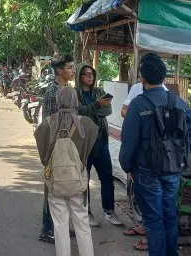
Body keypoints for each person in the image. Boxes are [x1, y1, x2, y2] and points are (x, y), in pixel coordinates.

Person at [119, 54, 191, 254]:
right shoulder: (177, 102)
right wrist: (183, 151)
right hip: (172, 169)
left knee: (154, 221)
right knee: (169, 216)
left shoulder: (139, 104)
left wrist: (127, 166)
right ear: (164, 78)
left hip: (146, 170)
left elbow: (128, 140)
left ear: (142, 79)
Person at [35, 86, 99, 256]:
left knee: (60, 226)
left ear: (57, 101)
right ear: (76, 100)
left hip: (55, 182)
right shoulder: (87, 124)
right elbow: (92, 152)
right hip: (78, 181)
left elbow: (44, 158)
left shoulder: (47, 124)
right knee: (83, 225)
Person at [73, 62, 122, 227]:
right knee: (83, 178)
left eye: (92, 74)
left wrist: (91, 109)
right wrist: (96, 106)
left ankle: (109, 211)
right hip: (84, 141)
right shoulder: (75, 94)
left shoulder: (99, 91)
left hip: (101, 141)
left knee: (107, 177)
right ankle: (86, 212)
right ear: (79, 76)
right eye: (86, 74)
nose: (90, 76)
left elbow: (107, 111)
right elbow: (77, 111)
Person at [38, 53, 75, 243]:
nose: (72, 70)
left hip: (65, 147)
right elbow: (53, 126)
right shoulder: (54, 93)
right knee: (52, 189)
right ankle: (47, 229)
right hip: (55, 148)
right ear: (59, 71)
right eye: (69, 67)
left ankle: (59, 226)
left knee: (63, 189)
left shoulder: (64, 89)